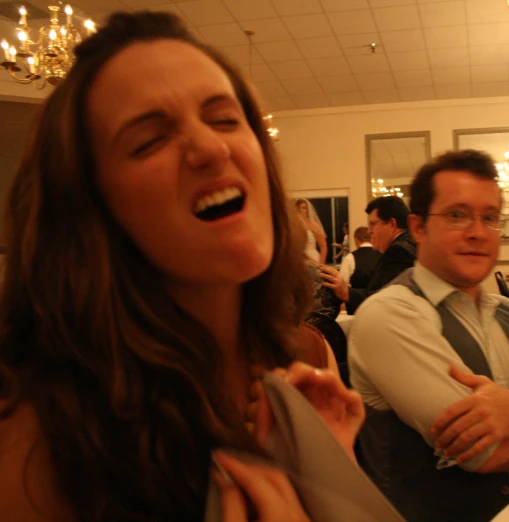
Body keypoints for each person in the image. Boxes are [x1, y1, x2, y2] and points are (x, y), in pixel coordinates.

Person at [0, 11, 372, 522]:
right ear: (90, 205)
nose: (212, 148)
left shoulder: (306, 356)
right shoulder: (39, 436)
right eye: (149, 140)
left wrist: (327, 464)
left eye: (224, 119)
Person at [349, 150, 509, 522]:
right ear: (418, 227)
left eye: (490, 218)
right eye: (456, 215)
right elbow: (486, 454)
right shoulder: (389, 314)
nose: (478, 232)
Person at [324, 196, 416, 315]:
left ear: (392, 224)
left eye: (373, 224)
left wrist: (346, 292)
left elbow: (386, 302)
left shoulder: (398, 251)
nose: (369, 231)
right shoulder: (408, 242)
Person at [296, 198, 327, 264]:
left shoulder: (313, 225)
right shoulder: (294, 225)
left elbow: (323, 246)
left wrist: (321, 265)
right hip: (298, 258)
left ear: (308, 210)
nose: (301, 210)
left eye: (304, 208)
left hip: (313, 257)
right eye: (299, 208)